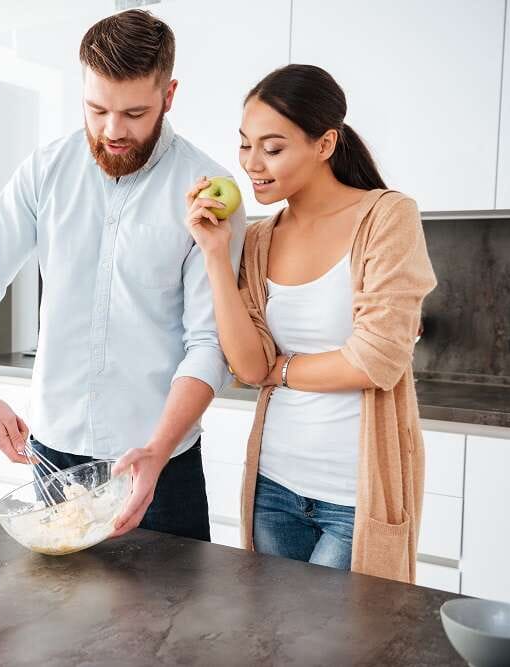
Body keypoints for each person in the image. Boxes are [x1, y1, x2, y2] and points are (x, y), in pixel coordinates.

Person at [0, 9, 246, 540]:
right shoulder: (45, 171)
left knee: (181, 622)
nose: (112, 131)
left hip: (158, 463)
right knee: (62, 619)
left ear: (169, 96)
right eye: (96, 108)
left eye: (133, 113)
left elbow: (207, 344)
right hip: (53, 458)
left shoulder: (207, 190)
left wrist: (157, 449)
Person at [184, 64, 436, 581]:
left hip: (355, 496)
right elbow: (249, 365)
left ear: (325, 144)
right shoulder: (256, 239)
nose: (252, 165)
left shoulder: (387, 217)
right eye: (245, 145)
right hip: (273, 485)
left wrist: (284, 372)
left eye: (272, 148)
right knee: (272, 645)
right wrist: (215, 253)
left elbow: (377, 359)